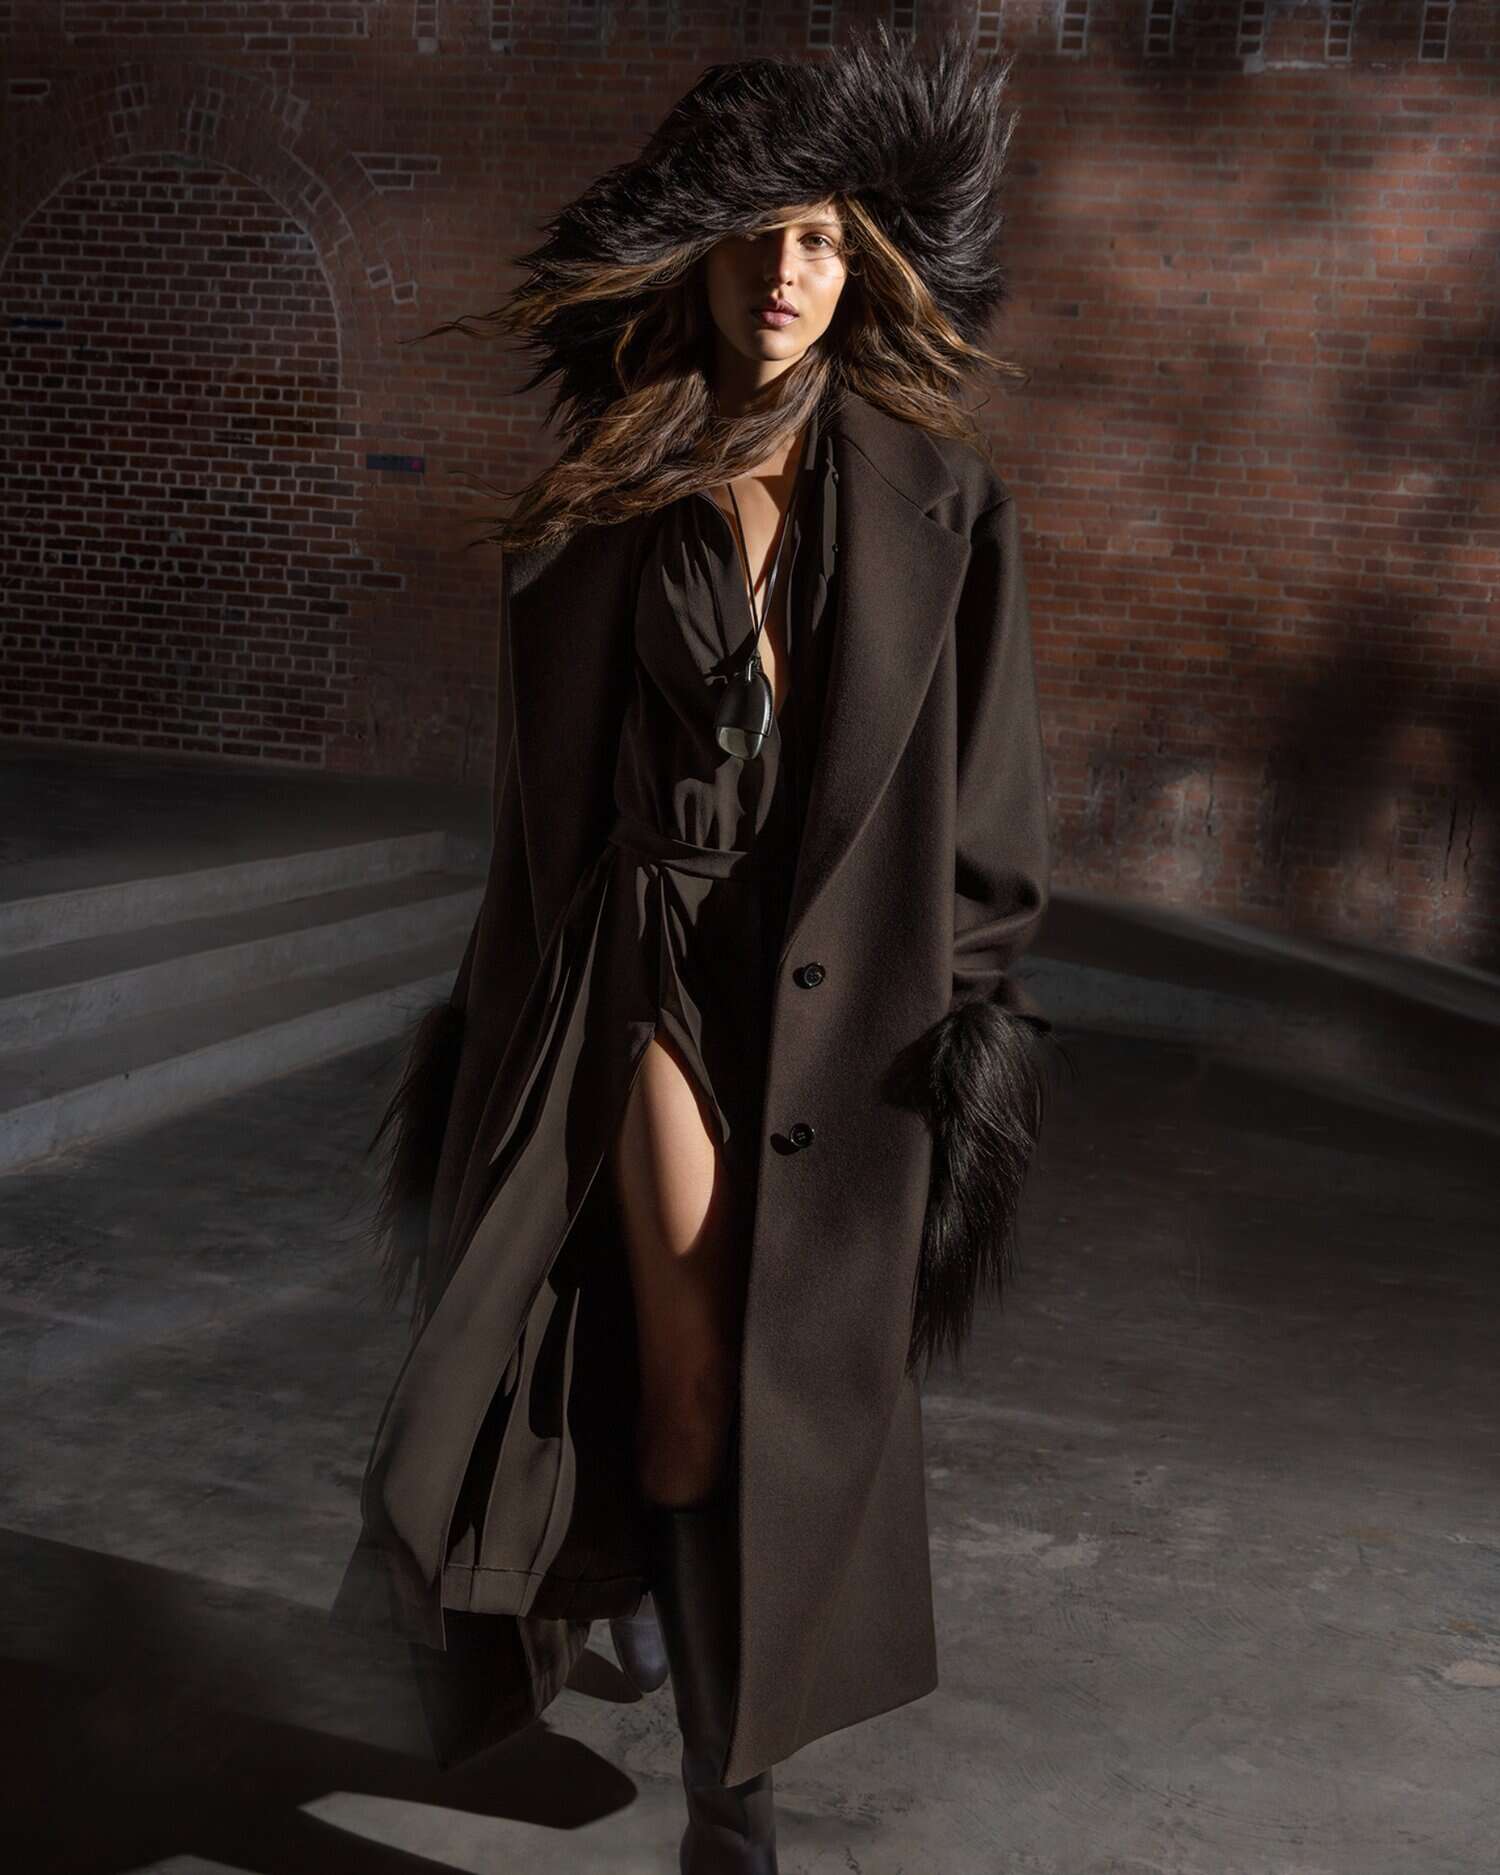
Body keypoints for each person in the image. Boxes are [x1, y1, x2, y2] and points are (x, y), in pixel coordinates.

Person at [333, 23, 1066, 1872]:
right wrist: (514, 1013)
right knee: (689, 1374)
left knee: (789, 1387)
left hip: (842, 1010)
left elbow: (987, 815)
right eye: (758, 238)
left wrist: (969, 1028)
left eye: (822, 241)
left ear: (865, 264)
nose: (787, 276)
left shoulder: (943, 506)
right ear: (701, 253)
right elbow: (548, 808)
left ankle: (673, 1611)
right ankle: (732, 1813)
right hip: (649, 969)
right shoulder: (614, 492)